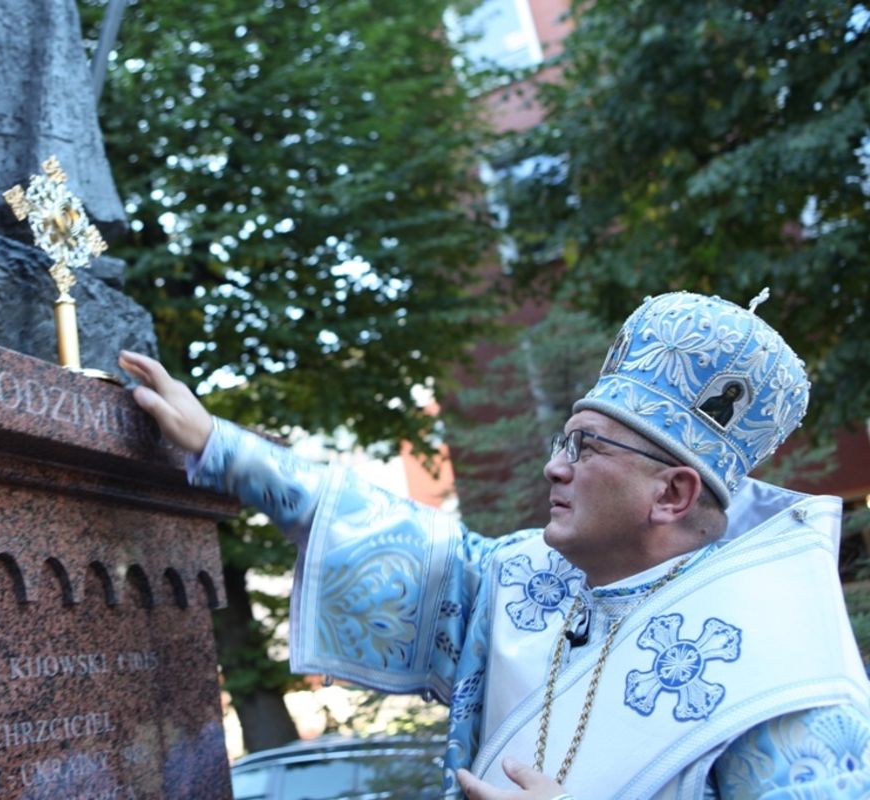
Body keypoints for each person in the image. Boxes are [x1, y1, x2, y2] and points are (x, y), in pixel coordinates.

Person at [119, 291, 870, 799]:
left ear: (670, 494)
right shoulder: (523, 578)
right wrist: (221, 446)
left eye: (586, 446)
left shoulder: (793, 684)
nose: (555, 465)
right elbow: (389, 534)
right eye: (562, 438)